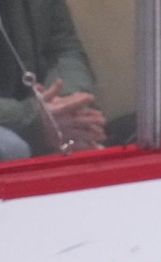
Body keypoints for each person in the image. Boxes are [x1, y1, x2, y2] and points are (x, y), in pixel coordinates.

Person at [0, 0, 105, 159]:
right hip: (14, 125)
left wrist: (67, 105)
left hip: (41, 112)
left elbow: (64, 49)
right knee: (13, 149)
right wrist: (31, 119)